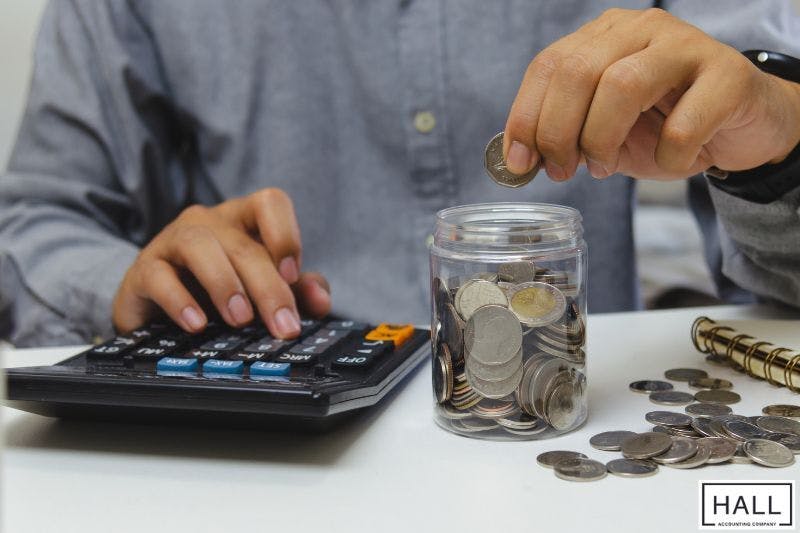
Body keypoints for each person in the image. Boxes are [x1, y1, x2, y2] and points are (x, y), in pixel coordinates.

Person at [1, 1, 800, 347]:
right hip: (261, 442)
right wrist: (124, 282)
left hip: (566, 415)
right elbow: (34, 219)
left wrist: (781, 145)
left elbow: (759, 123)